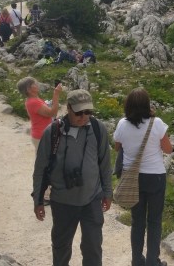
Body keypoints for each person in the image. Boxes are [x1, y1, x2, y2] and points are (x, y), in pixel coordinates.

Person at [32, 89, 112, 266]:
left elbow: (105, 164)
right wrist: (38, 199)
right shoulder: (52, 132)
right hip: (63, 202)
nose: (84, 117)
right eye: (78, 112)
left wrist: (107, 192)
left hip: (92, 200)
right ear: (68, 108)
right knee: (61, 248)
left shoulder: (98, 129)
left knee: (93, 248)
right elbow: (40, 170)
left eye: (88, 112)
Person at [113, 88, 172, 266]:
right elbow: (168, 149)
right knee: (154, 221)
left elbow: (117, 147)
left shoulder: (122, 124)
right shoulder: (157, 123)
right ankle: (153, 262)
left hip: (133, 179)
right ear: (147, 105)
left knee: (137, 221)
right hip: (155, 177)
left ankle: (137, 260)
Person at [18, 77, 61, 148]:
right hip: (41, 136)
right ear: (28, 89)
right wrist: (56, 94)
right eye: (34, 83)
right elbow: (53, 114)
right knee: (44, 158)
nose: (37, 84)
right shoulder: (33, 102)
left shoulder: (33, 100)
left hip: (41, 135)